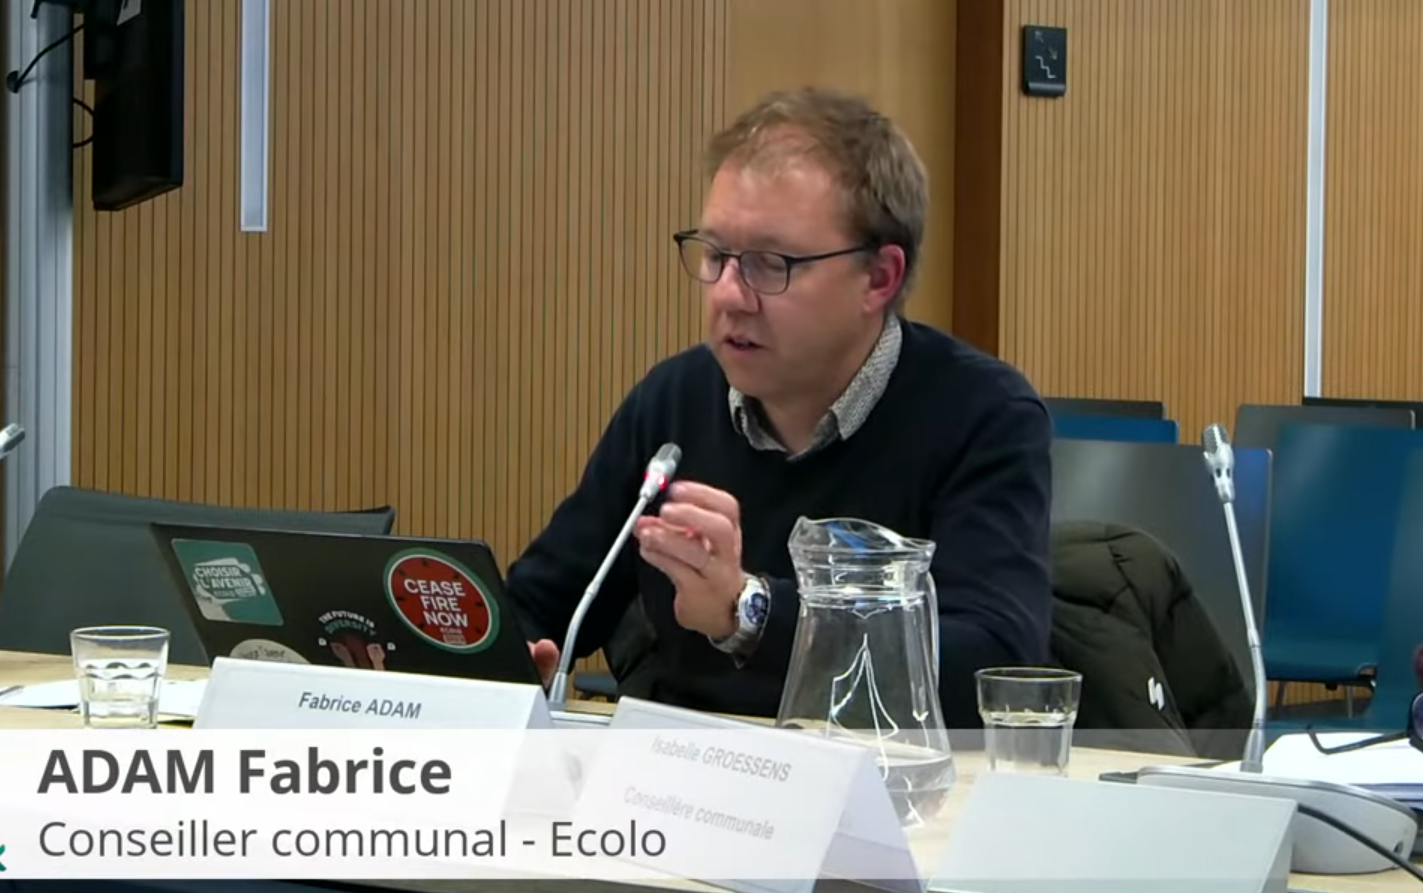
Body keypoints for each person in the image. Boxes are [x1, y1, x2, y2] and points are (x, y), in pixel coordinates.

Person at [505, 87, 1053, 728]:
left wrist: (749, 611)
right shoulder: (674, 401)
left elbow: (993, 668)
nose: (728, 294)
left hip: (884, 777)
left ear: (879, 278)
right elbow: (544, 603)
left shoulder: (981, 415)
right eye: (716, 256)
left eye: (770, 265)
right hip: (684, 769)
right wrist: (499, 655)